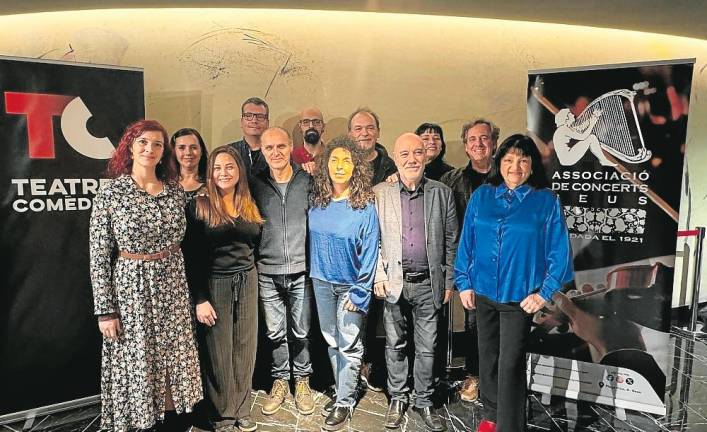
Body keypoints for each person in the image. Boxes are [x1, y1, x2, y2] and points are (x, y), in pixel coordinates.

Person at [454, 134, 574, 432]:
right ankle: (492, 415)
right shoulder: (483, 195)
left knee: (510, 364)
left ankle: (510, 426)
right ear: (499, 162)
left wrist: (544, 293)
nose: (515, 166)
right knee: (489, 359)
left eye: (523, 160)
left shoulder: (545, 201)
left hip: (518, 299)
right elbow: (466, 240)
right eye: (508, 160)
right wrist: (463, 281)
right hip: (482, 292)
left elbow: (560, 252)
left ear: (532, 165)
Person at [89, 119, 202, 432]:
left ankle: (175, 420)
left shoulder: (176, 192)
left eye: (156, 144)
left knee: (174, 355)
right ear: (130, 146)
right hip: (131, 290)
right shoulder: (110, 195)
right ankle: (141, 422)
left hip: (174, 285)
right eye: (143, 142)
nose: (149, 149)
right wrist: (106, 311)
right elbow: (98, 257)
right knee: (138, 356)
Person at [373, 133, 458, 431]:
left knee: (427, 347)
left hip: (429, 284)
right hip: (394, 282)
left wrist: (449, 282)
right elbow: (374, 240)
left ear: (426, 156)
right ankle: (397, 397)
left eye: (417, 152)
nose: (412, 159)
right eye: (405, 153)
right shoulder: (380, 193)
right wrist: (379, 275)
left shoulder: (442, 193)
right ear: (396, 158)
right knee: (395, 344)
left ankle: (423, 400)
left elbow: (451, 240)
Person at [182, 145, 264, 432]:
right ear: (210, 172)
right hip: (216, 283)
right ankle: (223, 415)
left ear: (239, 170)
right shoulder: (199, 205)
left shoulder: (250, 203)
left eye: (229, 166)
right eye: (217, 167)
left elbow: (254, 245)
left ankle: (242, 409)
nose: (223, 172)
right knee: (219, 352)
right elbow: (191, 257)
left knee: (245, 347)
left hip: (248, 280)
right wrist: (200, 299)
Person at [309, 136, 380, 431]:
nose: (339, 167)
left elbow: (372, 251)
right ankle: (342, 389)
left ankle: (345, 401)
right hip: (322, 282)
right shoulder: (318, 201)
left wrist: (361, 290)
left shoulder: (364, 207)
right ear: (326, 166)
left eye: (346, 161)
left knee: (349, 346)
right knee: (332, 341)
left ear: (356, 167)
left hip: (351, 287)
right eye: (334, 161)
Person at [250, 127, 315, 416]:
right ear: (262, 151)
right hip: (267, 270)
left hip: (302, 269)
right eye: (269, 148)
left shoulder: (308, 180)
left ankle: (302, 380)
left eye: (280, 146)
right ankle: (280, 380)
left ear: (291, 147)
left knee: (300, 331)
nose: (275, 153)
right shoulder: (255, 184)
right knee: (275, 332)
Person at [439, 118, 500, 402]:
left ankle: (496, 379)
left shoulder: (507, 178)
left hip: (502, 265)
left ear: (494, 143)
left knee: (500, 327)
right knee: (475, 324)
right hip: (469, 266)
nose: (478, 144)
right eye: (472, 139)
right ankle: (475, 377)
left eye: (484, 138)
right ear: (465, 147)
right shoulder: (451, 181)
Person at [347, 107, 395, 391]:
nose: (364, 133)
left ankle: (372, 365)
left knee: (379, 314)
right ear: (350, 133)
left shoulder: (392, 167)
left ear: (377, 130)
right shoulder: (341, 163)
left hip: (384, 252)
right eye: (358, 128)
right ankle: (352, 367)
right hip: (352, 251)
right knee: (354, 312)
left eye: (369, 128)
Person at [228, 97, 271, 177]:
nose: (254, 120)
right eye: (248, 116)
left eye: (260, 116)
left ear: (267, 123)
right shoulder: (229, 152)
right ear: (241, 122)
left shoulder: (275, 152)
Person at [171, 127, 208, 202]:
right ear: (174, 152)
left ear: (201, 151)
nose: (188, 153)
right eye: (181, 148)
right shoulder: (164, 184)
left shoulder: (213, 183)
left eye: (193, 147)